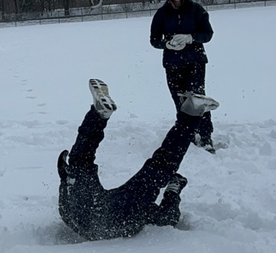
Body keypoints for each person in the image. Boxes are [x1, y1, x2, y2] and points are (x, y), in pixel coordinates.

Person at [57, 78, 219, 241]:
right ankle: (98, 114)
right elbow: (69, 184)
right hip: (88, 211)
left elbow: (167, 218)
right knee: (80, 161)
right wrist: (68, 175)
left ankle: (192, 113)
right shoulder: (71, 210)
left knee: (160, 167)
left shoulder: (136, 210)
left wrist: (172, 192)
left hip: (108, 221)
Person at [150, 0, 215, 152]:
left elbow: (208, 34)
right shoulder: (162, 13)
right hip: (172, 64)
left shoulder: (196, 10)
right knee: (180, 101)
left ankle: (205, 136)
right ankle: (186, 136)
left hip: (195, 61)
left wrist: (191, 38)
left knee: (197, 99)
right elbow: (153, 39)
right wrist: (166, 44)